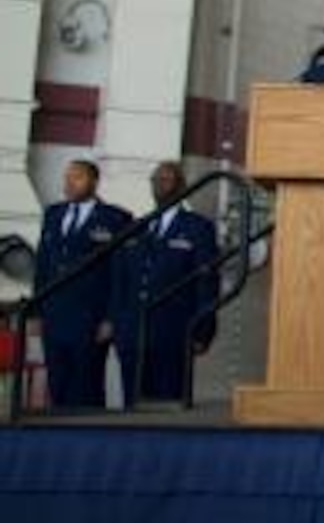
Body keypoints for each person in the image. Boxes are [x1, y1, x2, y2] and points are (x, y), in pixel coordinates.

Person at [111, 161, 219, 403]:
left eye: (166, 180)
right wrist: (117, 324)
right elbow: (119, 281)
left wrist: (203, 330)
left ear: (181, 186)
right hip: (133, 332)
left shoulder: (198, 228)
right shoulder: (135, 227)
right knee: (132, 404)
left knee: (167, 404)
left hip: (174, 331)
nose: (160, 186)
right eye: (155, 180)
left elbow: (206, 282)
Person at [33, 158, 132, 409]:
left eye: (77, 177)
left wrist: (111, 317)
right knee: (58, 383)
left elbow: (119, 273)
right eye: (67, 177)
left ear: (94, 181)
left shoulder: (115, 218)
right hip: (55, 313)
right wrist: (36, 310)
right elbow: (43, 264)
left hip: (91, 317)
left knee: (86, 386)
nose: (69, 183)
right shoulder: (53, 214)